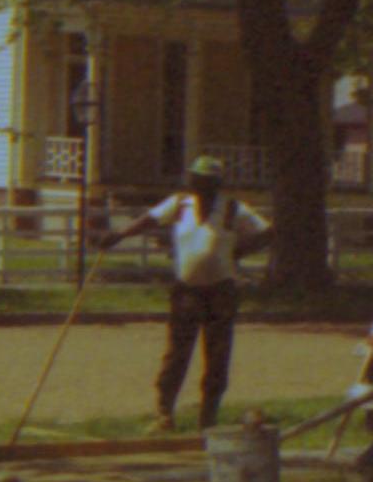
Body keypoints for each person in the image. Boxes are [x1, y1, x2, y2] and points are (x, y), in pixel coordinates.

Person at [108, 154, 270, 432]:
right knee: (177, 352)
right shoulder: (180, 204)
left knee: (217, 354)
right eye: (197, 180)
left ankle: (208, 416)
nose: (200, 187)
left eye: (207, 182)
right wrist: (120, 235)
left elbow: (268, 231)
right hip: (187, 291)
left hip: (221, 291)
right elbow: (150, 219)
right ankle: (164, 413)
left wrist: (241, 250)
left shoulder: (232, 209)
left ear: (217, 184)